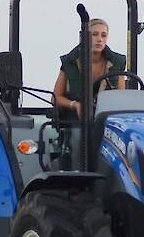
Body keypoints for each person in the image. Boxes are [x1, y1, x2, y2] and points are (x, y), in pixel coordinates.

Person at [51, 18, 126, 169]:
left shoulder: (117, 63)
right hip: (75, 120)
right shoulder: (70, 62)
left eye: (103, 35)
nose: (99, 39)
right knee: (79, 138)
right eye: (95, 34)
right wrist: (75, 105)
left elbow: (121, 97)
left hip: (105, 120)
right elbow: (56, 97)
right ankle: (76, 174)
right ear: (85, 37)